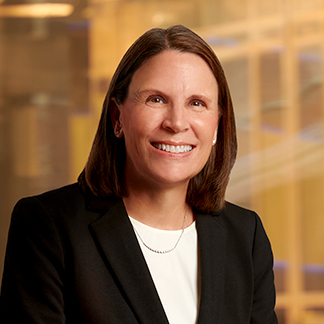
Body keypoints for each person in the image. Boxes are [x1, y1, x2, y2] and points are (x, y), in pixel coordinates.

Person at [0, 25, 278, 324]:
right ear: (117, 117)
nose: (176, 122)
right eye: (156, 99)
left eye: (197, 103)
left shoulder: (245, 236)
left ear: (216, 126)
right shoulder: (49, 226)